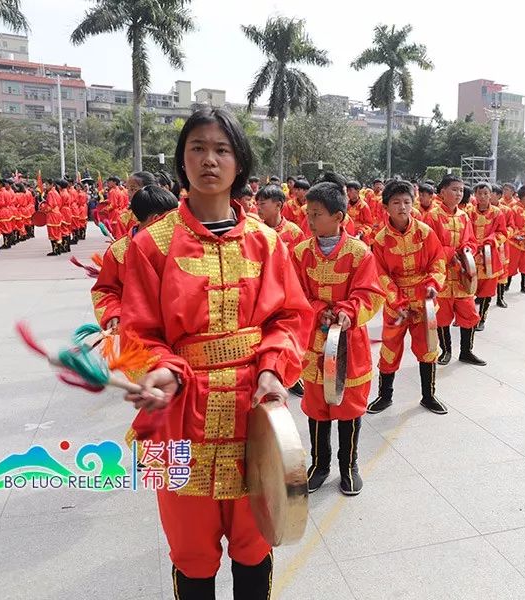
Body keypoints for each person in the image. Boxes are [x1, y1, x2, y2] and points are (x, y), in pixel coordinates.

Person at [121, 107, 310, 599]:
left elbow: (289, 318)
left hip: (254, 414)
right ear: (182, 161)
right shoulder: (151, 246)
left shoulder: (268, 244)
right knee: (190, 555)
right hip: (178, 415)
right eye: (197, 148)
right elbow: (136, 330)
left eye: (222, 149)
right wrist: (159, 368)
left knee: (255, 545)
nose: (209, 159)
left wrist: (273, 371)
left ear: (239, 162)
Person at [290, 172, 383, 495]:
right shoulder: (300, 252)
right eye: (307, 214)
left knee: (348, 408)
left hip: (348, 344)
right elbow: (294, 294)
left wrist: (346, 312)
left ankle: (348, 465)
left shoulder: (360, 253)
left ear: (338, 217)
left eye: (316, 215)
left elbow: (371, 294)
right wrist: (318, 309)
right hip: (314, 344)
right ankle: (320, 464)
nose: (310, 220)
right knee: (317, 408)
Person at [368, 179, 448, 415]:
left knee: (427, 347)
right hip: (397, 305)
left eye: (406, 202)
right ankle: (385, 396)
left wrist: (434, 285)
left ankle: (429, 395)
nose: (402, 207)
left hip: (424, 302)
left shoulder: (425, 233)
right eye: (396, 202)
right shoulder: (380, 240)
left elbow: (438, 262)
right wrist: (398, 303)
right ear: (386, 207)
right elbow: (380, 275)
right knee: (390, 350)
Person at [91, 185, 179, 330]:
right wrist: (113, 313)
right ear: (156, 219)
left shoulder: (179, 246)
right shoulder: (118, 251)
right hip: (135, 330)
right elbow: (104, 290)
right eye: (172, 219)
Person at [422, 174, 486, 366]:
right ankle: (446, 351)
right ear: (442, 192)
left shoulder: (464, 216)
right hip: (440, 275)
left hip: (461, 275)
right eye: (454, 189)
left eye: (460, 190)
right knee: (442, 316)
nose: (458, 193)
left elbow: (471, 241)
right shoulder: (432, 216)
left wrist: (468, 249)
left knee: (469, 313)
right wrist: (450, 253)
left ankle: (466, 351)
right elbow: (428, 247)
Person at [469, 182, 507, 330]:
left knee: (487, 292)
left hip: (490, 258)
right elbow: (465, 233)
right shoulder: (469, 212)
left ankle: (482, 319)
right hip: (472, 257)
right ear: (475, 195)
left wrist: (490, 241)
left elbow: (502, 233)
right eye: (479, 193)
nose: (483, 197)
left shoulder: (498, 213)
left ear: (491, 195)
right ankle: (468, 317)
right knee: (468, 289)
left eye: (486, 193)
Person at [255, 184, 306, 253]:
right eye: (257, 204)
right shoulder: (255, 230)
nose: (258, 208)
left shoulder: (294, 232)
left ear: (278, 205)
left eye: (262, 204)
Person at [506, 186, 525, 294]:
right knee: (512, 263)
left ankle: (524, 286)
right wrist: (517, 235)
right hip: (515, 241)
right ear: (524, 196)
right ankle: (506, 284)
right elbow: (511, 225)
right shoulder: (513, 208)